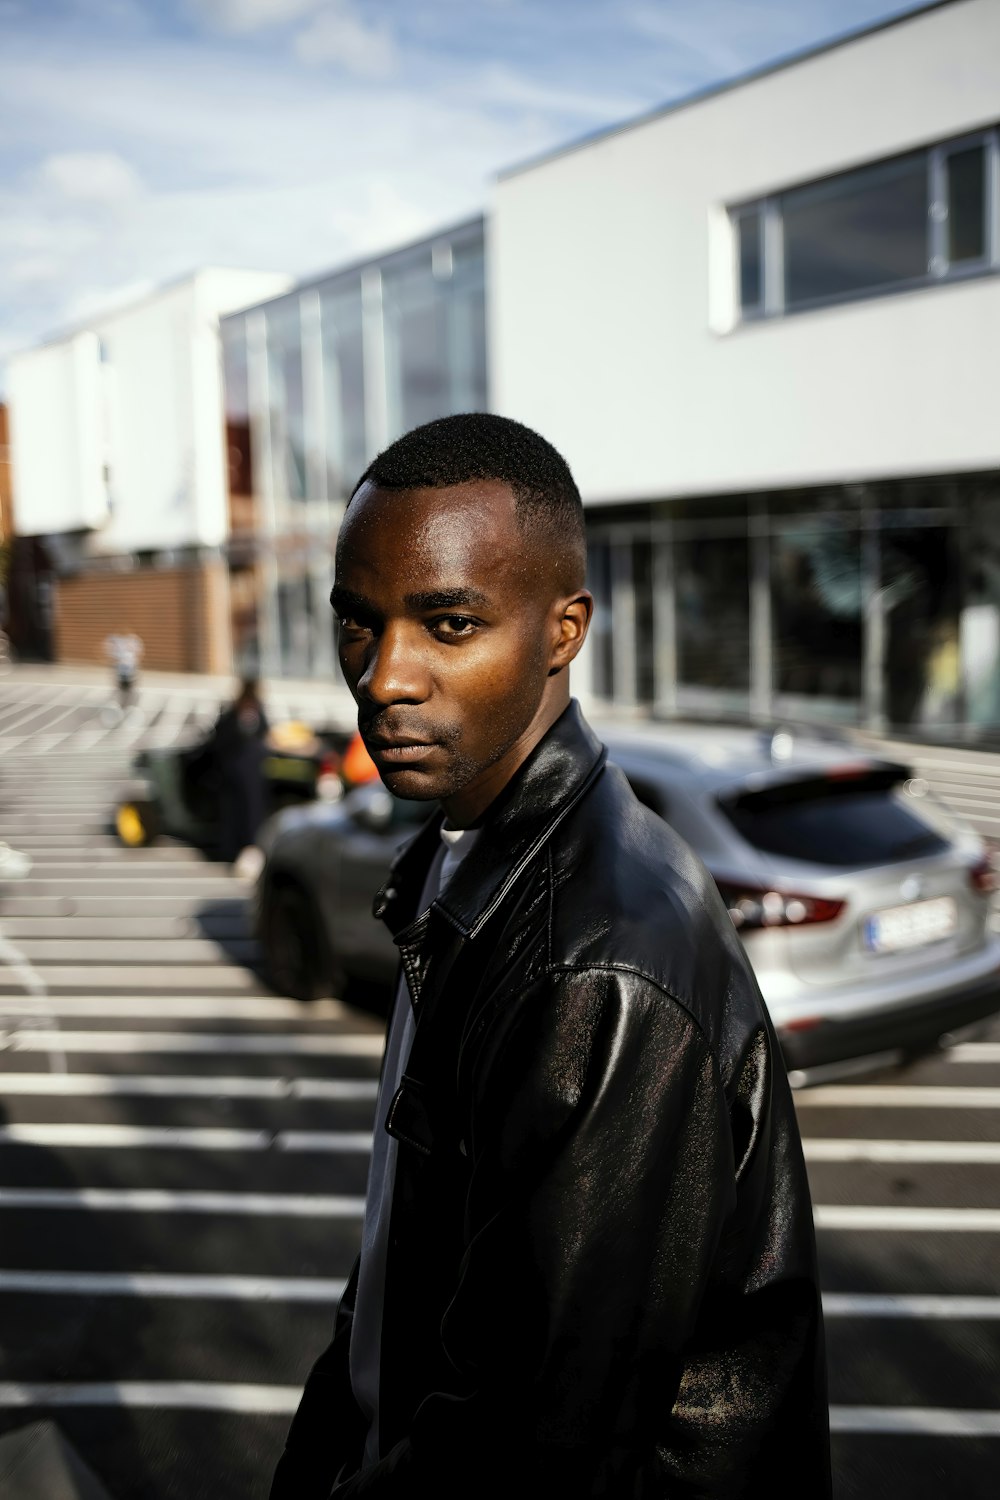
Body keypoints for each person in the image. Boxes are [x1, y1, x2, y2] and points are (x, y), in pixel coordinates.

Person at [270, 414, 830, 1499]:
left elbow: (536, 1447)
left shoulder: (598, 966)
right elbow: (403, 1261)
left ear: (561, 629)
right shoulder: (461, 858)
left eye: (446, 623)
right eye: (358, 624)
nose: (385, 676)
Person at [209, 676, 269, 871]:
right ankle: (243, 848)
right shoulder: (241, 712)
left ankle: (237, 849)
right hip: (244, 770)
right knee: (246, 811)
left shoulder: (242, 711)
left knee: (240, 811)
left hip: (240, 770)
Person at [103, 630, 143, 710]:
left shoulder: (133, 640)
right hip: (121, 670)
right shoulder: (115, 640)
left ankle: (128, 705)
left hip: (129, 669)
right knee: (121, 688)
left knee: (129, 688)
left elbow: (138, 654)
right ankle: (122, 705)